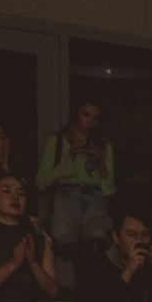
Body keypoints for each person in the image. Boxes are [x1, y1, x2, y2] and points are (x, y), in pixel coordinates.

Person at [34, 101, 113, 256]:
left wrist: (100, 161)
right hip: (66, 197)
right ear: (75, 112)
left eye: (95, 118)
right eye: (85, 114)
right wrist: (69, 158)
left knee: (95, 251)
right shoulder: (57, 142)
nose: (89, 122)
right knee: (64, 251)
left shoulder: (104, 147)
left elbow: (109, 190)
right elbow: (40, 182)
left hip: (94, 201)